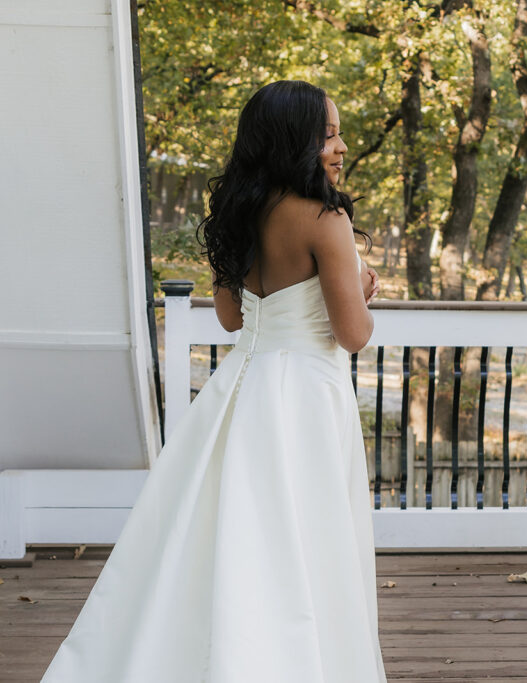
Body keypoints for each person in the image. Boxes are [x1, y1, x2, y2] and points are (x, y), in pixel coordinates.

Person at [42, 80, 387, 681]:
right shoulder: (325, 221)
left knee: (225, 540)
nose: (340, 146)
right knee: (306, 544)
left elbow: (231, 319)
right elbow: (353, 335)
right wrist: (360, 284)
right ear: (293, 142)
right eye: (328, 134)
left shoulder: (240, 214)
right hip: (305, 397)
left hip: (243, 391)